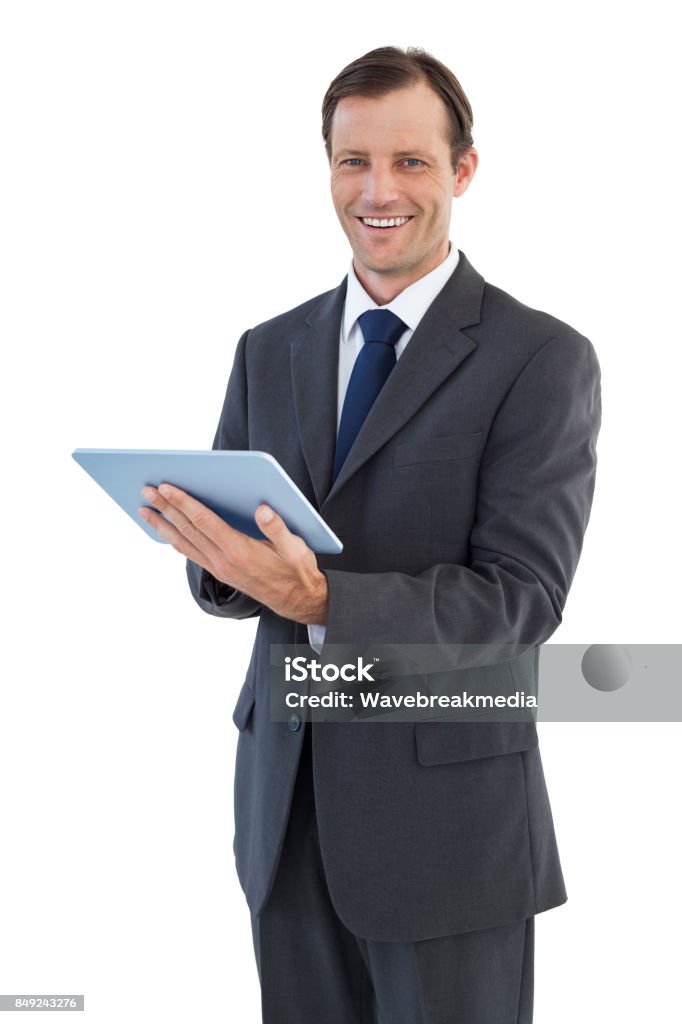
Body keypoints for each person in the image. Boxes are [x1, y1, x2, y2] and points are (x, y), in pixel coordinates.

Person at [138, 46, 601, 1024]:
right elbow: (231, 574)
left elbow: (520, 601)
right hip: (286, 808)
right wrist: (215, 560)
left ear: (462, 170)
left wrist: (318, 597)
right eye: (352, 161)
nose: (377, 189)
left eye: (411, 161)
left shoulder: (539, 359)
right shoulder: (269, 348)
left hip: (447, 832)